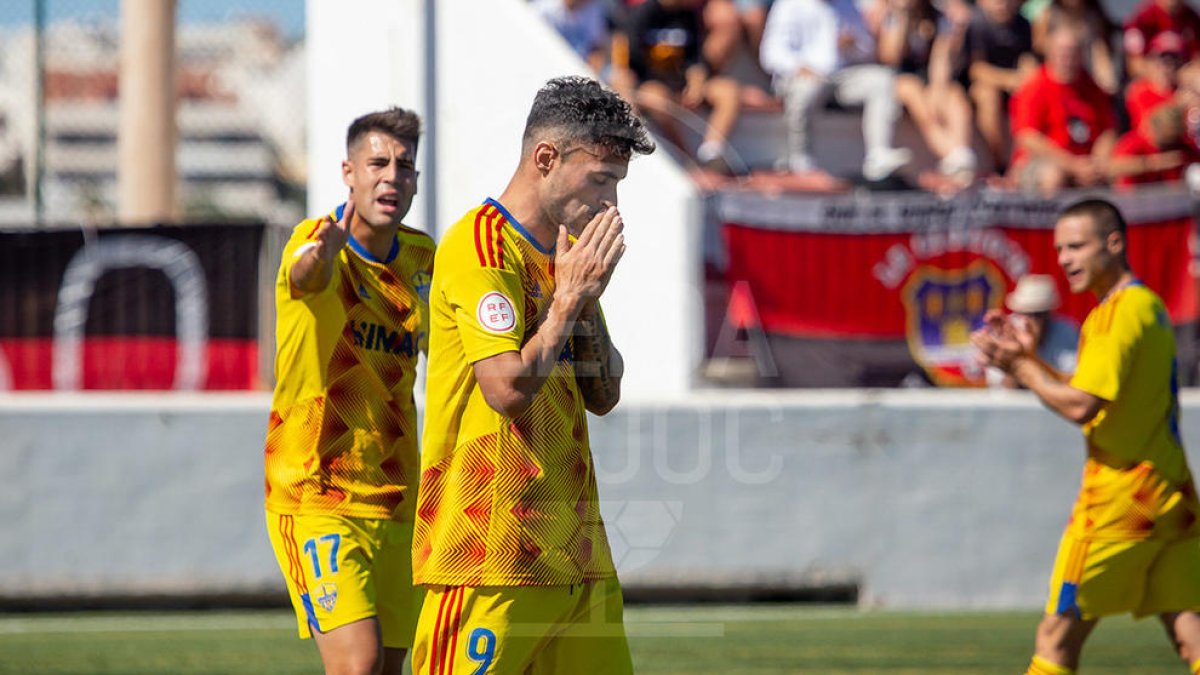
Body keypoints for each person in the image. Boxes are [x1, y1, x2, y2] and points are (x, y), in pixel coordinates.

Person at [410, 75, 653, 674]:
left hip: (576, 558)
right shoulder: (479, 246)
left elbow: (605, 393)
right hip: (488, 557)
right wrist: (569, 301)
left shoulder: (564, 261)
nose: (611, 206)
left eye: (617, 186)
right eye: (601, 181)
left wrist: (585, 298)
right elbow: (508, 389)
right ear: (546, 159)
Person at [971, 198, 1200, 675]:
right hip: (1172, 496)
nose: (1064, 259)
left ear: (1114, 244)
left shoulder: (1113, 316)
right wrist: (1029, 361)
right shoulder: (1148, 305)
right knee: (1190, 632)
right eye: (1059, 249)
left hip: (1120, 502)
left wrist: (1015, 365)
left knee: (1054, 638)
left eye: (1077, 246)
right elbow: (1093, 396)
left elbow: (1081, 405)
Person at [263, 107, 433, 675]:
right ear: (349, 172)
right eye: (378, 163)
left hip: (397, 497)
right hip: (318, 494)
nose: (391, 177)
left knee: (386, 669)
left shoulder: (421, 259)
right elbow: (305, 275)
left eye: (404, 167)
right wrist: (325, 253)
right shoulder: (315, 242)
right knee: (355, 665)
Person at [760, 0, 913, 183]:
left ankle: (878, 155)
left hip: (838, 78)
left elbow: (867, 51)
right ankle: (801, 161)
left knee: (881, 80)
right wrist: (799, 67)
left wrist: (852, 44)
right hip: (800, 78)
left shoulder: (847, 5)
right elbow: (771, 53)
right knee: (808, 88)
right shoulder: (790, 5)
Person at [610, 0, 742, 174]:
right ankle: (685, 158)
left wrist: (697, 79)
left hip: (680, 82)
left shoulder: (688, 15)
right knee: (659, 99)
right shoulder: (642, 14)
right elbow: (632, 61)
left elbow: (695, 57)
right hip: (650, 83)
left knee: (728, 91)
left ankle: (711, 152)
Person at [865, 0, 978, 184]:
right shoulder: (890, 16)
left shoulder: (938, 16)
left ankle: (960, 155)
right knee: (913, 92)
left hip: (928, 78)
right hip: (895, 79)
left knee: (954, 96)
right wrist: (903, 16)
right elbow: (891, 58)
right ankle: (952, 154)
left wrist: (938, 88)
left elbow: (940, 59)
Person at [1007, 19, 1115, 194]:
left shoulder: (1092, 88)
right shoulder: (1034, 86)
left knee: (1119, 170)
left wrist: (1097, 163)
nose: (1068, 58)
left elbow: (1108, 131)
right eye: (1063, 51)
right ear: (1050, 51)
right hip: (1044, 163)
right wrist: (1072, 165)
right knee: (1054, 175)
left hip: (1087, 163)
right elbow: (1028, 137)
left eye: (1073, 52)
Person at [964, 0, 1038, 173]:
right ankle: (997, 165)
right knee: (988, 96)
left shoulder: (1022, 24)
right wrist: (1009, 80)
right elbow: (976, 70)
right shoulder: (977, 23)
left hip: (1014, 86)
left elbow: (1027, 58)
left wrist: (1027, 73)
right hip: (983, 86)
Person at [986, 274, 1078, 389]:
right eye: (1027, 313)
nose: (1032, 320)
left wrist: (1031, 355)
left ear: (1049, 314)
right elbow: (1003, 387)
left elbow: (1070, 381)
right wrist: (1017, 354)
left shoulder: (1066, 332)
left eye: (1039, 314)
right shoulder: (1005, 330)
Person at [1029, 0, 1118, 94]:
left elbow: (1100, 51)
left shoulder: (1094, 17)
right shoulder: (1047, 16)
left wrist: (1105, 75)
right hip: (1055, 80)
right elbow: (1038, 49)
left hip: (1085, 77)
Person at [1111, 102, 1196, 187]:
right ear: (1154, 127)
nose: (1169, 142)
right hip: (1136, 196)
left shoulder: (1181, 147)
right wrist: (1153, 163)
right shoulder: (1133, 142)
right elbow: (1112, 167)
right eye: (1166, 135)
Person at [1123, 0, 1200, 80]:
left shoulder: (1192, 18)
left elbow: (1197, 58)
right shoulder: (1142, 17)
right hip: (1151, 81)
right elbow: (1134, 65)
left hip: (1182, 80)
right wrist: (1163, 74)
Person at [1126, 31, 1186, 132]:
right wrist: (1177, 107)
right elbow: (1149, 131)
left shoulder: (1184, 89)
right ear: (1151, 61)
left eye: (1175, 60)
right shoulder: (1140, 91)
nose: (1169, 67)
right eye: (1163, 60)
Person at [534, 0, 613, 74]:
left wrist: (595, 62)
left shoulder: (593, 10)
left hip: (578, 69)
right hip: (546, 61)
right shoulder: (545, 8)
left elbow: (596, 47)